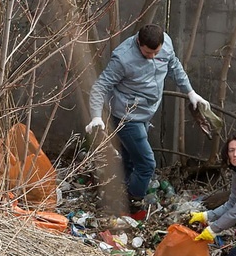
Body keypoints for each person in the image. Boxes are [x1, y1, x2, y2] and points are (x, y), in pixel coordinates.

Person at [85, 23, 210, 208]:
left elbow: (174, 66)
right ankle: (133, 201)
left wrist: (190, 92)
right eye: (147, 54)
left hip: (147, 112)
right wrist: (96, 116)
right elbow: (100, 86)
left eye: (155, 53)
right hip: (126, 116)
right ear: (138, 42)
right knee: (146, 164)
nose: (152, 57)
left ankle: (118, 194)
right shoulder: (123, 58)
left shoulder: (166, 43)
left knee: (129, 158)